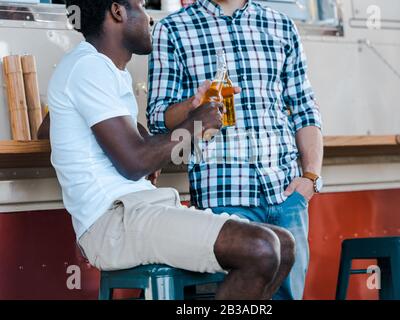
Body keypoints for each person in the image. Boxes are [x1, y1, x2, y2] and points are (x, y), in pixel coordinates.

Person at [42, 0, 296, 300]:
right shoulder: (88, 66)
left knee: (283, 244)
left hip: (140, 209)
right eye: (141, 6)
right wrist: (194, 125)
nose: (150, 20)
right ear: (118, 11)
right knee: (261, 248)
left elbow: (48, 126)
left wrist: (142, 135)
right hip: (113, 220)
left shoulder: (100, 69)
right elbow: (134, 163)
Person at [147, 0, 323, 300]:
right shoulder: (172, 28)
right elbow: (158, 118)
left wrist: (310, 178)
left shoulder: (281, 25)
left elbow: (305, 111)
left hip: (288, 194)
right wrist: (193, 105)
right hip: (224, 195)